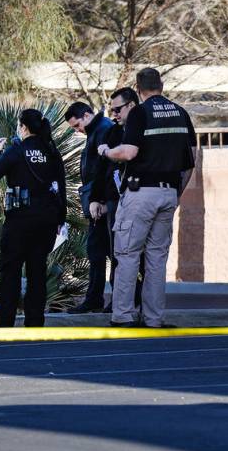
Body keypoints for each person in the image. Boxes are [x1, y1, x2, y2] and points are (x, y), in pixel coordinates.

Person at [98, 68, 196, 328]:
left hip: (141, 193)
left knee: (128, 254)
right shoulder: (181, 113)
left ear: (139, 89)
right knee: (156, 259)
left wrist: (107, 151)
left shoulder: (140, 113)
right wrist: (176, 195)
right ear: (161, 85)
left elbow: (129, 153)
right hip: (168, 193)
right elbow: (191, 161)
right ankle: (153, 318)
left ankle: (123, 315)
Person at [0, 108, 67, 328]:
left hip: (19, 219)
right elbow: (61, 187)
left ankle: (5, 324)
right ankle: (35, 323)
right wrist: (61, 218)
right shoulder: (51, 151)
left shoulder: (16, 150)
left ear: (23, 127)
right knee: (37, 272)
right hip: (46, 220)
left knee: (10, 272)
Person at [89, 87, 144, 312]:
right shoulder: (112, 132)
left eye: (118, 109)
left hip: (143, 196)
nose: (116, 115)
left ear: (131, 104)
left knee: (145, 256)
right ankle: (121, 301)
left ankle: (140, 300)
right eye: (112, 111)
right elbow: (102, 167)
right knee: (118, 253)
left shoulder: (144, 126)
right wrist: (97, 198)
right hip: (116, 200)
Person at [64, 101, 113, 313]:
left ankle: (104, 300)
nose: (77, 131)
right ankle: (95, 299)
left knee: (109, 252)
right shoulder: (97, 130)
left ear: (86, 115)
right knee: (97, 252)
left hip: (102, 203)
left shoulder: (102, 130)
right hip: (98, 200)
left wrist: (99, 200)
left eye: (77, 126)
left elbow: (104, 168)